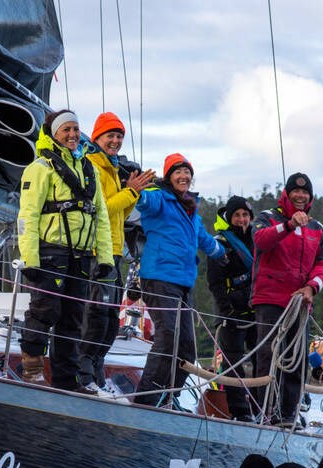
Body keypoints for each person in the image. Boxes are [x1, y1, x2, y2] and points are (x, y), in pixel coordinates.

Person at [17, 109, 114, 393]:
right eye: (66, 130)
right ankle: (32, 369)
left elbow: (102, 218)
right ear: (54, 134)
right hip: (50, 251)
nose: (72, 135)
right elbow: (27, 216)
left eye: (75, 129)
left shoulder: (89, 169)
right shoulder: (40, 168)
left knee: (73, 317)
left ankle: (65, 381)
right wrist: (29, 258)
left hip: (82, 255)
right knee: (45, 310)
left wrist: (105, 258)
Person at [133, 153, 226, 407]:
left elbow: (204, 239)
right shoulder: (160, 199)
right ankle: (146, 398)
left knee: (187, 349)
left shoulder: (190, 210)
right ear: (169, 177)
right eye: (178, 172)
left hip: (183, 284)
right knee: (167, 337)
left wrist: (223, 252)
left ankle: (168, 397)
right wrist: (136, 191)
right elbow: (143, 202)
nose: (184, 177)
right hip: (159, 277)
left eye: (187, 173)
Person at [78, 112, 156, 393]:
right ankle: (85, 369)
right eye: (110, 135)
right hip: (96, 250)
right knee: (96, 313)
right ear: (96, 137)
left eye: (119, 136)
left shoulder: (111, 168)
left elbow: (119, 212)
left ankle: (97, 365)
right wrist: (131, 192)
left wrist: (130, 192)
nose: (115, 140)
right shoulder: (92, 166)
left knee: (111, 317)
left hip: (112, 251)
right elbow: (100, 208)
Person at [251, 172, 323, 426]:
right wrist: (288, 226)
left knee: (296, 363)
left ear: (310, 197)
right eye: (296, 192)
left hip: (300, 303)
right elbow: (260, 241)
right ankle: (265, 411)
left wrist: (311, 288)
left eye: (305, 192)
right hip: (270, 300)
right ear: (286, 193)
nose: (300, 196)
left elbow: (322, 264)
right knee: (267, 357)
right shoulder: (267, 218)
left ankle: (288, 415)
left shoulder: (317, 228)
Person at [207, 195, 257, 421]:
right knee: (233, 363)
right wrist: (226, 309)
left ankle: (260, 408)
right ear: (229, 217)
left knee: (262, 361)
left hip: (258, 310)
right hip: (231, 312)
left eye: (245, 215)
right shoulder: (220, 244)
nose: (241, 219)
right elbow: (215, 283)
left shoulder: (259, 240)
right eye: (237, 215)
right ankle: (240, 412)